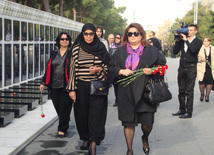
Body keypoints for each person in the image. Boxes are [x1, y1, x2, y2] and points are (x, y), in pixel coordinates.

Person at [108, 23, 166, 155]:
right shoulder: (120, 52)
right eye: (130, 34)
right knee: (128, 123)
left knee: (148, 124)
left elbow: (162, 66)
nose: (133, 36)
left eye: (136, 33)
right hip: (126, 92)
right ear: (126, 36)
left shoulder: (151, 51)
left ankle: (145, 137)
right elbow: (110, 68)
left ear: (141, 35)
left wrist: (152, 70)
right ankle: (129, 150)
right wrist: (121, 71)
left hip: (146, 92)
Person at [67, 23, 110, 155]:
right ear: (82, 34)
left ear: (95, 34)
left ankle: (93, 141)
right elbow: (72, 69)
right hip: (81, 86)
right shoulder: (76, 48)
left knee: (96, 114)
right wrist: (72, 89)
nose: (89, 36)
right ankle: (85, 138)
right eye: (86, 34)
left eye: (91, 34)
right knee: (82, 114)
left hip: (97, 86)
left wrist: (98, 69)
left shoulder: (101, 47)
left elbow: (109, 66)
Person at [40, 31, 73, 137]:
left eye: (66, 39)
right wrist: (43, 82)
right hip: (54, 85)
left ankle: (62, 128)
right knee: (58, 107)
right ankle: (65, 120)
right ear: (59, 41)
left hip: (66, 85)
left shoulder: (71, 53)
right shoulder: (54, 53)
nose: (64, 41)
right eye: (62, 39)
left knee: (64, 107)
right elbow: (49, 68)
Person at [172, 24, 203, 119]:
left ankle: (189, 112)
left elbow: (194, 50)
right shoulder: (182, 41)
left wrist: (186, 41)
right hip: (182, 67)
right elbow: (175, 52)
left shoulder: (198, 41)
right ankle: (182, 109)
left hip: (191, 67)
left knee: (189, 90)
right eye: (188, 30)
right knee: (181, 89)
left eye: (191, 30)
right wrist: (178, 41)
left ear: (195, 31)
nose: (188, 31)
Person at [197, 36, 214, 102]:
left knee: (209, 82)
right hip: (202, 68)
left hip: (210, 68)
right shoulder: (200, 48)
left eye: (207, 41)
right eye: (204, 41)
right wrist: (200, 59)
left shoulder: (213, 48)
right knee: (202, 82)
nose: (206, 42)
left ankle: (207, 96)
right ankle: (202, 94)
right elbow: (196, 56)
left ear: (210, 42)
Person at [112, 33, 123, 107]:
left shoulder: (123, 48)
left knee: (121, 86)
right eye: (116, 37)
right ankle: (117, 100)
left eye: (118, 38)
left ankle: (121, 100)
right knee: (115, 86)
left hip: (122, 69)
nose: (116, 39)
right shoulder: (112, 47)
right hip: (114, 69)